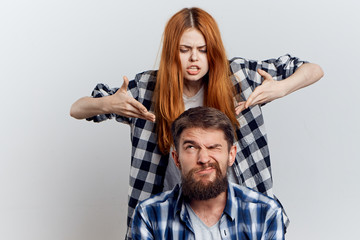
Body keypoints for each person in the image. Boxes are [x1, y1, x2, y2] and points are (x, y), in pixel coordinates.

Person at [70, 7, 323, 239]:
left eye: (202, 50)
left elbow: (313, 69)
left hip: (239, 218)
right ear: (172, 51)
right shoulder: (148, 89)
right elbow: (77, 109)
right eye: (184, 50)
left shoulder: (238, 78)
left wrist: (281, 88)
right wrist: (108, 104)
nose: (194, 58)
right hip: (172, 218)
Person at [132, 106, 285, 240]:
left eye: (213, 147)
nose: (204, 159)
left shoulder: (266, 212)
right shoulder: (149, 214)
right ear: (176, 158)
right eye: (191, 147)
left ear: (231, 155)